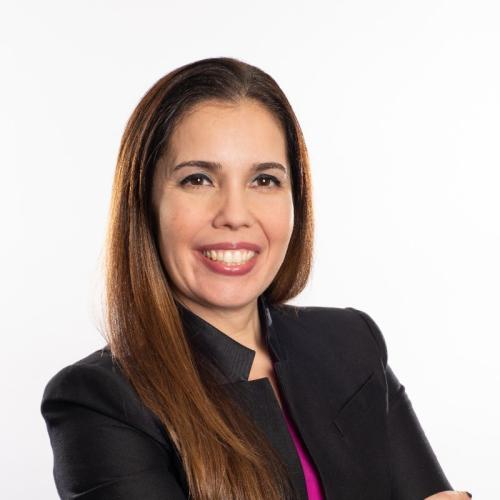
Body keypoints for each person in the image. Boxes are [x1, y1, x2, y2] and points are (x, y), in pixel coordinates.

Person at [40, 57, 471, 500]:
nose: (234, 214)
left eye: (264, 180)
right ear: (146, 204)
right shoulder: (99, 400)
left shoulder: (351, 342)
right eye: (198, 179)